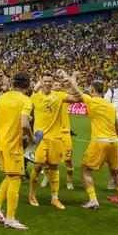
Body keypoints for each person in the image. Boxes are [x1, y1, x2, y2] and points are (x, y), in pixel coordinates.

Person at [28, 70, 81, 210]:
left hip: (56, 138)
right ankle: (32, 194)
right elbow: (26, 114)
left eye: (50, 82)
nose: (48, 84)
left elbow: (78, 98)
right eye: (45, 81)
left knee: (54, 167)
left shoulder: (59, 96)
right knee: (38, 165)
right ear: (41, 82)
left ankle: (54, 198)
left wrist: (70, 79)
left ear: (53, 83)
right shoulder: (34, 97)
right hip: (40, 139)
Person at [0, 72, 36, 230]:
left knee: (9, 176)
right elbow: (24, 123)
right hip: (13, 145)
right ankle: (10, 218)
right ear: (27, 85)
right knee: (16, 178)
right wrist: (30, 137)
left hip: (0, 143)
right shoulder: (26, 100)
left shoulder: (2, 97)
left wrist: (0, 135)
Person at [80, 81, 118, 210]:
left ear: (92, 91)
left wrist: (71, 77)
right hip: (114, 142)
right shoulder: (111, 106)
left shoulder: (91, 100)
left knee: (85, 169)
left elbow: (76, 91)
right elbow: (117, 126)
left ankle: (93, 201)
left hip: (100, 141)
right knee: (116, 171)